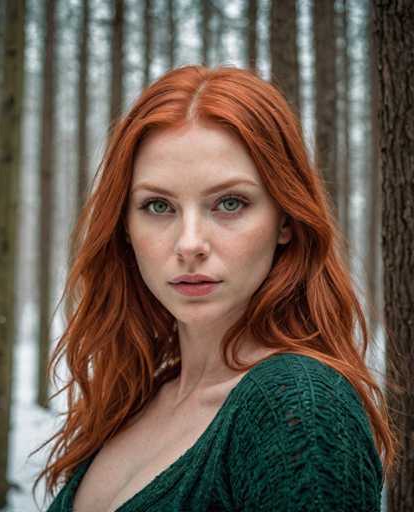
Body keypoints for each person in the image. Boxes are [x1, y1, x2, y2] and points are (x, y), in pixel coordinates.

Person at [34, 65, 398, 512]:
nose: (190, 244)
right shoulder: (141, 396)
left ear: (285, 218)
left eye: (230, 203)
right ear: (124, 227)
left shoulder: (299, 406)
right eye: (158, 206)